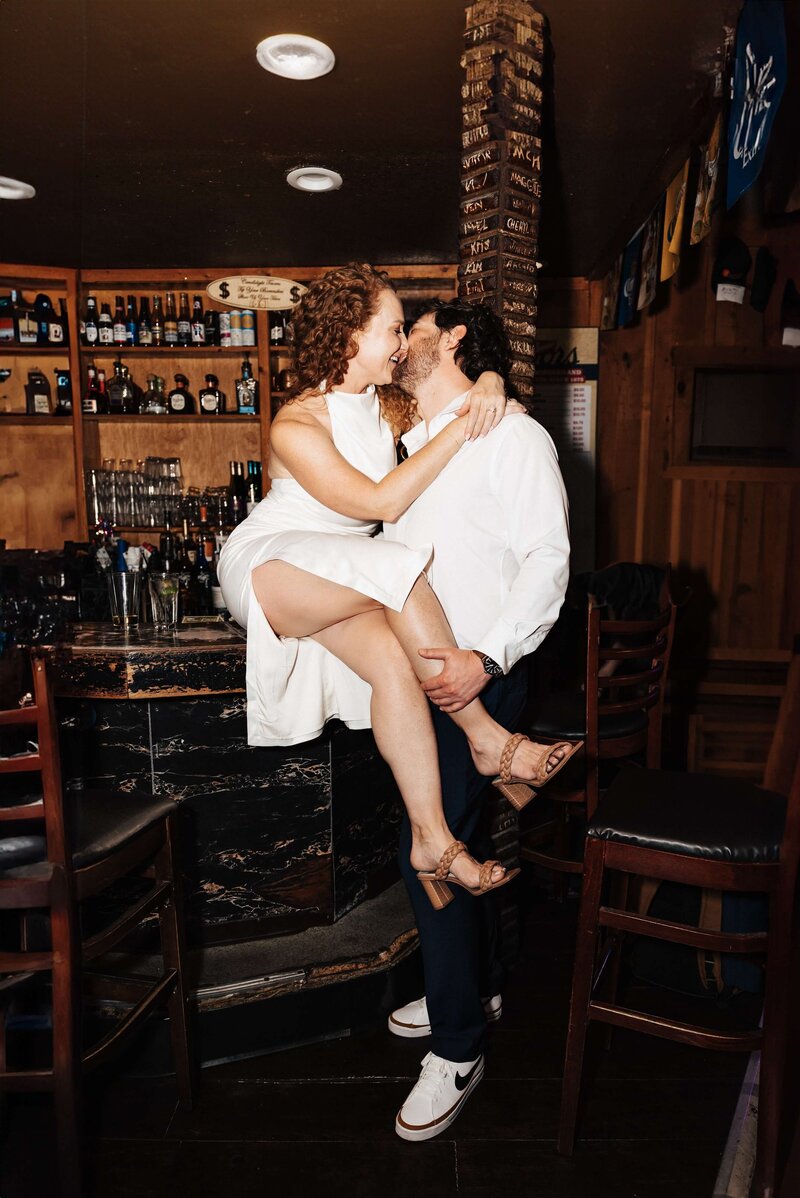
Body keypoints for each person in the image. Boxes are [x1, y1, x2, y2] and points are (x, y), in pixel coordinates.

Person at [218, 264, 578, 904]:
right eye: (391, 329)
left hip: (343, 567)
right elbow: (380, 506)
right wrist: (473, 419)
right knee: (399, 567)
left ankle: (432, 842)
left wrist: (489, 383)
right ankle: (489, 741)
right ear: (350, 336)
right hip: (273, 564)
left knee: (391, 662)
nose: (401, 344)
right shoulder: (295, 424)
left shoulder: (387, 404)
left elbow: (453, 383)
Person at [382, 299, 571, 1141]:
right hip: (416, 685)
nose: (400, 344)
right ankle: (477, 984)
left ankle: (458, 1047)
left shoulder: (515, 437)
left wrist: (487, 659)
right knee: (457, 838)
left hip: (480, 679)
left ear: (453, 338)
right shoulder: (405, 445)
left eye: (412, 329)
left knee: (431, 852)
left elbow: (549, 559)